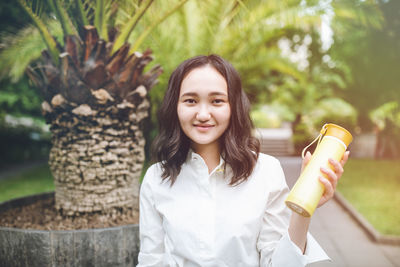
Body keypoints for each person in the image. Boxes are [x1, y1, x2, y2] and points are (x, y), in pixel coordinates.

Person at [137, 54, 349, 266]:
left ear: (234, 107)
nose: (202, 114)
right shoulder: (156, 178)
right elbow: (151, 261)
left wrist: (304, 208)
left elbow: (279, 263)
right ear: (175, 106)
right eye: (191, 100)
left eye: (217, 101)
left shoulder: (266, 171)